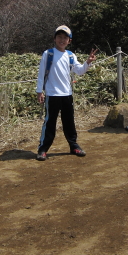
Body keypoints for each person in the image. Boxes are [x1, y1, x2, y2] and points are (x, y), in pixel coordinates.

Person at [35, 25, 97, 161]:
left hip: (67, 94)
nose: (62, 40)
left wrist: (88, 62)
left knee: (69, 122)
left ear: (70, 40)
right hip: (52, 94)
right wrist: (39, 91)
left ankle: (73, 145)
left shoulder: (70, 55)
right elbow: (40, 75)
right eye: (59, 37)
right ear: (54, 39)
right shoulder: (48, 54)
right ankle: (43, 149)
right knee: (50, 122)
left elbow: (79, 71)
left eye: (65, 37)